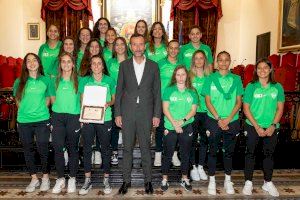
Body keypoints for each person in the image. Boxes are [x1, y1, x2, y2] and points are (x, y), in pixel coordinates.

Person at [115, 33, 161, 195]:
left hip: (146, 114)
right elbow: (119, 91)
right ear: (130, 46)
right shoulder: (124, 65)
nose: (138, 47)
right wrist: (117, 114)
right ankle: (126, 181)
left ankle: (148, 181)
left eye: (141, 44)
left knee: (145, 148)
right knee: (127, 148)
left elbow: (157, 92)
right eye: (134, 44)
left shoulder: (154, 66)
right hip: (127, 113)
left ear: (145, 46)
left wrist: (157, 114)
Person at [201, 51, 243, 195]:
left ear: (230, 61)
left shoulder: (236, 79)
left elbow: (238, 102)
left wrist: (228, 119)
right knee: (212, 151)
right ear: (216, 62)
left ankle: (227, 179)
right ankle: (212, 180)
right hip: (214, 120)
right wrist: (219, 119)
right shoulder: (210, 79)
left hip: (232, 120)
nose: (223, 63)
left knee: (228, 152)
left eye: (226, 60)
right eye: (220, 60)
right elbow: (207, 101)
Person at [242, 58, 284, 197]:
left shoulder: (277, 86)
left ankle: (268, 182)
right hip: (253, 126)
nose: (262, 70)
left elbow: (280, 108)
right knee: (250, 154)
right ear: (256, 70)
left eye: (265, 67)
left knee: (268, 155)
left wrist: (273, 125)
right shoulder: (251, 86)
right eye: (259, 68)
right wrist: (257, 127)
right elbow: (246, 109)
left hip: (271, 127)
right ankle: (248, 182)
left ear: (270, 69)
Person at [13, 53, 53, 193]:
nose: (31, 63)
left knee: (43, 150)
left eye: (34, 60)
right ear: (25, 65)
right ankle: (34, 178)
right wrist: (25, 112)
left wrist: (41, 110)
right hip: (24, 121)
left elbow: (48, 99)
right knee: (28, 150)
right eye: (28, 61)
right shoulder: (19, 81)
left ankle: (46, 178)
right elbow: (17, 100)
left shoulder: (46, 80)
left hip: (42, 120)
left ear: (39, 63)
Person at [78, 55, 115, 195]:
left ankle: (106, 179)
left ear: (103, 66)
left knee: (105, 149)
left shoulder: (109, 80)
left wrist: (108, 104)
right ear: (90, 66)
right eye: (94, 63)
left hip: (105, 118)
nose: (96, 66)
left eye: (99, 63)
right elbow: (82, 100)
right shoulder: (84, 81)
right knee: (87, 148)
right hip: (88, 118)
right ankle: (87, 180)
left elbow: (113, 99)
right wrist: (83, 116)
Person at [160, 65, 198, 192]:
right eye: (178, 74)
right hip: (170, 126)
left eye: (183, 74)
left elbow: (193, 111)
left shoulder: (192, 91)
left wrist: (182, 122)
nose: (181, 77)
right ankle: (165, 179)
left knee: (185, 154)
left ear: (187, 76)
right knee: (168, 154)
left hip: (186, 127)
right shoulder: (169, 90)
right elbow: (165, 109)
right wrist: (175, 124)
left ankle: (184, 178)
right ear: (174, 76)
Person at [51, 52, 81, 194]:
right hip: (58, 117)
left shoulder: (79, 80)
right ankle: (60, 178)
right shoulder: (55, 81)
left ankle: (73, 178)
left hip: (74, 117)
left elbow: (82, 101)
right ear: (60, 64)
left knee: (73, 148)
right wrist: (53, 119)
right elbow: (52, 100)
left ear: (73, 64)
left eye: (69, 61)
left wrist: (82, 118)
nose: (66, 64)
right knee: (58, 148)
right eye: (63, 61)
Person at [154, 39, 182, 167]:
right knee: (160, 128)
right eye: (171, 47)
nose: (174, 50)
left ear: (179, 50)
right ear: (167, 49)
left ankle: (174, 154)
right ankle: (159, 153)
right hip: (161, 101)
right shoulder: (160, 64)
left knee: (175, 127)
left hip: (177, 102)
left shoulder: (182, 65)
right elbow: (154, 83)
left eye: (176, 48)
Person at [189, 50, 212, 181]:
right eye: (196, 58)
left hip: (206, 113)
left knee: (204, 140)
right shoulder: (189, 76)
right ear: (193, 60)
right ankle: (193, 167)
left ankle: (201, 166)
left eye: (201, 58)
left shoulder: (210, 77)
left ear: (205, 60)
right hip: (193, 113)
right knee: (192, 140)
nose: (198, 61)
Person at [107, 37, 129, 165]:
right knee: (115, 126)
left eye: (122, 44)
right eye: (117, 45)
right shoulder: (110, 62)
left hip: (128, 98)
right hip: (114, 97)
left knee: (128, 126)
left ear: (126, 46)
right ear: (114, 47)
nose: (119, 47)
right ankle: (114, 152)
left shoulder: (131, 61)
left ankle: (127, 152)